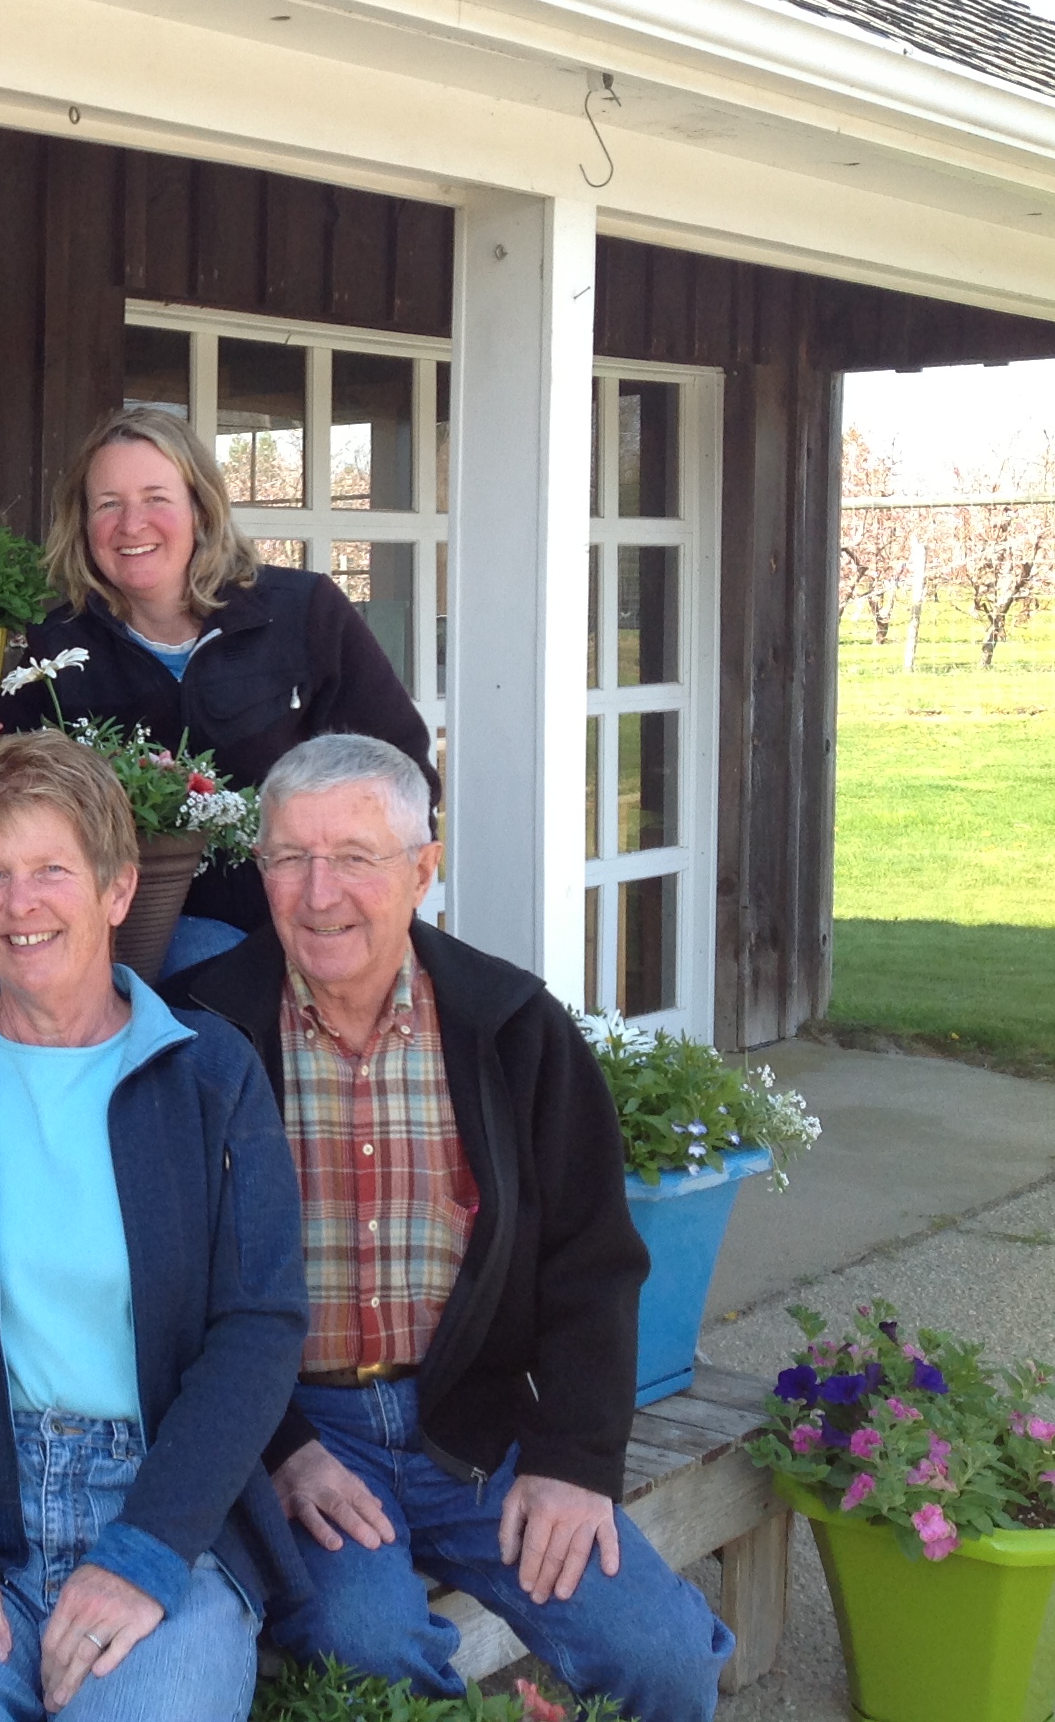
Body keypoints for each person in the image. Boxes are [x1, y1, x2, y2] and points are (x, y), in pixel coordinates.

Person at [164, 734, 733, 1719]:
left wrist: (572, 1461)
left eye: (355, 856)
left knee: (664, 1653)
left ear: (424, 868)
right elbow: (164, 1282)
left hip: (474, 1425)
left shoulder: (510, 1028)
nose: (318, 890)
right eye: (290, 857)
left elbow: (594, 1264)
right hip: (295, 1430)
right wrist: (280, 1446)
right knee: (369, 1646)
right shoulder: (204, 1033)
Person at [0, 730, 308, 1721]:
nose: (20, 904)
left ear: (118, 889)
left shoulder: (208, 1073)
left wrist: (150, 1546)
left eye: (50, 871)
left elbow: (260, 1325)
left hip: (165, 1506)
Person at [0, 407, 434, 980]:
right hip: (134, 940)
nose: (131, 524)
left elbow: (404, 772)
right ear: (82, 522)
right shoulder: (58, 645)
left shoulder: (304, 613)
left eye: (156, 498)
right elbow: (4, 801)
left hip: (311, 918)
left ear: (201, 508)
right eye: (108, 504)